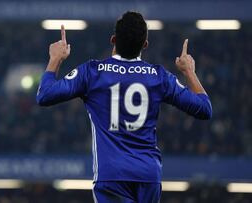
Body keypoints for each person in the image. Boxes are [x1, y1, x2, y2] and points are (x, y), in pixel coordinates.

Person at [36, 11, 212, 203]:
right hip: (148, 176)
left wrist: (56, 59)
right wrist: (189, 72)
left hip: (112, 175)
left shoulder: (92, 72)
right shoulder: (159, 77)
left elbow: (45, 95)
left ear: (113, 39)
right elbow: (204, 109)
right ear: (145, 45)